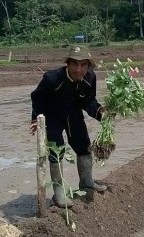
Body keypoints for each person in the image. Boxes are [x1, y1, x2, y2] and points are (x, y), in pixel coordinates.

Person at [29, 45, 107, 208]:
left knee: (84, 146)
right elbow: (37, 97)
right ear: (68, 64)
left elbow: (89, 101)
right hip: (53, 117)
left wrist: (101, 113)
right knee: (56, 151)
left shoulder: (90, 78)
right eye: (75, 64)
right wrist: (36, 118)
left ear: (88, 66)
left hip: (73, 114)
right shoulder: (52, 78)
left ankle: (86, 182)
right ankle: (59, 194)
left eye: (83, 65)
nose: (79, 70)